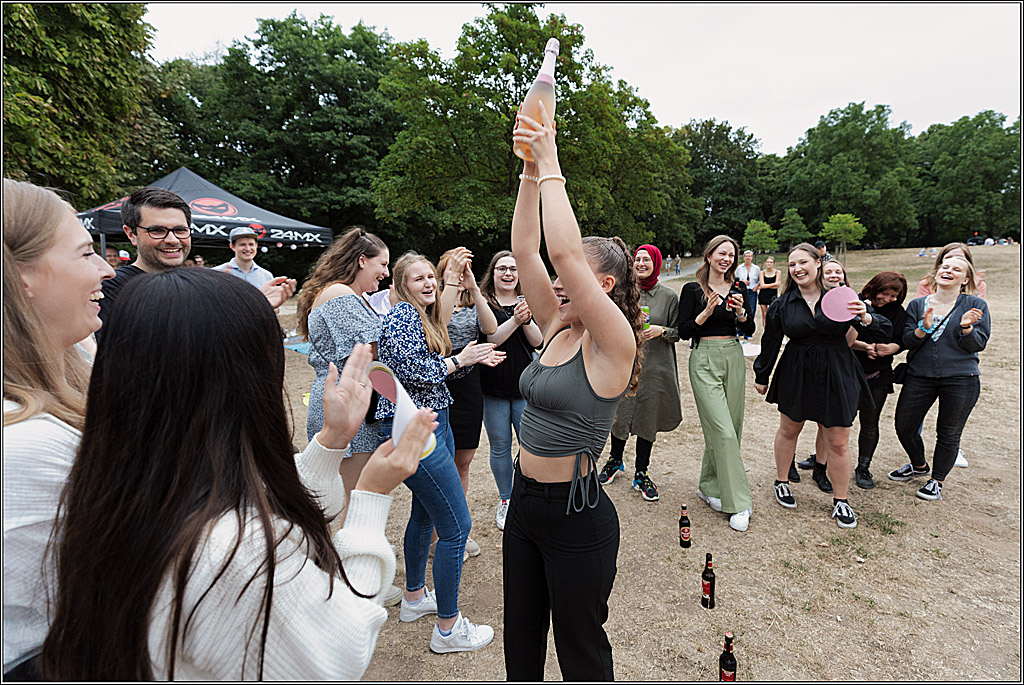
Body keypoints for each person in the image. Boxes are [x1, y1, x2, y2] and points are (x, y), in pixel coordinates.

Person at [41, 268, 435, 680]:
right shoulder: (231, 550)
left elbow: (275, 503)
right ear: (245, 376)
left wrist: (332, 441)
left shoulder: (126, 489)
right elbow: (339, 654)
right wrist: (371, 498)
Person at [505, 103, 642, 680]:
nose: (558, 282)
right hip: (525, 504)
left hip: (577, 514)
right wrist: (529, 173)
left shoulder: (613, 343)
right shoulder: (557, 321)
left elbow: (560, 252)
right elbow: (526, 252)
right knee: (521, 648)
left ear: (603, 285)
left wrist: (551, 155)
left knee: (581, 653)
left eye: (577, 277)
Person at [3, 179, 115, 681]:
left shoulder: (63, 387)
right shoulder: (29, 443)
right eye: (87, 251)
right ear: (22, 275)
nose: (106, 269)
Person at [376, 253, 500, 654]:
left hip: (433, 420)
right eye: (418, 278)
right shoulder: (402, 318)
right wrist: (461, 358)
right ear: (401, 284)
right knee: (456, 526)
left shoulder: (422, 317)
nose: (427, 283)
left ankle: (414, 598)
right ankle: (448, 629)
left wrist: (470, 358)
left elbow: (432, 367)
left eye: (431, 276)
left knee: (425, 514)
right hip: (415, 429)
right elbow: (417, 370)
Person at [753, 243, 890, 529]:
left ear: (818, 263)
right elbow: (771, 341)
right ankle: (781, 482)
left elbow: (882, 327)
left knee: (838, 441)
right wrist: (762, 375)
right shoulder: (783, 303)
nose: (797, 269)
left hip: (837, 370)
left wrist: (865, 316)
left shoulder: (841, 298)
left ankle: (841, 501)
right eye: (792, 265)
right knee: (789, 429)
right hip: (796, 370)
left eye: (803, 262)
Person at [97, 187, 296, 341]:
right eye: (157, 230)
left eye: (181, 230)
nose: (173, 240)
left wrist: (252, 305)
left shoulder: (204, 286)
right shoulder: (111, 289)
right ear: (131, 234)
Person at [297, 228, 391, 523]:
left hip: (349, 398)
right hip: (345, 399)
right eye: (383, 264)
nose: (386, 273)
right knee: (353, 500)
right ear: (362, 260)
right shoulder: (340, 293)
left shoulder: (348, 295)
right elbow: (369, 349)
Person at [888, 255, 989, 501]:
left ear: (965, 279)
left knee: (949, 432)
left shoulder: (974, 305)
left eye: (957, 269)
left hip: (961, 378)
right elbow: (907, 341)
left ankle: (936, 481)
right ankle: (919, 465)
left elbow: (978, 343)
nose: (948, 271)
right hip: (920, 375)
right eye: (945, 267)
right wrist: (922, 328)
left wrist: (966, 328)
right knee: (904, 425)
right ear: (936, 273)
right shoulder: (917, 304)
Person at [677, 235, 755, 532]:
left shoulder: (739, 288)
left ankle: (709, 487)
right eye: (721, 253)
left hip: (733, 355)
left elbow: (749, 328)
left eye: (731, 255)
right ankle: (739, 502)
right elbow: (684, 331)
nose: (727, 259)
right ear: (709, 256)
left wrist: (740, 312)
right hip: (704, 358)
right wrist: (706, 312)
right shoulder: (692, 290)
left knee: (731, 429)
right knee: (722, 430)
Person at [597, 244, 681, 503]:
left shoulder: (668, 296)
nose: (642, 263)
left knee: (648, 418)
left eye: (647, 259)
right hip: (624, 364)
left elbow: (680, 331)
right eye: (638, 259)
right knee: (619, 415)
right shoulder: (621, 292)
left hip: (655, 367)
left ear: (656, 262)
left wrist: (662, 331)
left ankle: (642, 473)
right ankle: (615, 460)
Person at [436, 246, 499, 558]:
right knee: (439, 464)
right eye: (454, 269)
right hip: (438, 386)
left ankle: (457, 530)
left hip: (470, 390)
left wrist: (474, 287)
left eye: (464, 269)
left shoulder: (474, 298)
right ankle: (439, 535)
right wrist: (449, 286)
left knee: (463, 463)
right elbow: (438, 326)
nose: (460, 275)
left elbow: (491, 330)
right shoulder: (432, 298)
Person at [477, 250, 543, 530]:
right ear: (492, 274)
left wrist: (526, 319)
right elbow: (492, 338)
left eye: (513, 269)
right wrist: (515, 320)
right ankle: (506, 499)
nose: (508, 274)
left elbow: (538, 342)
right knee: (500, 446)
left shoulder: (528, 302)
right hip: (491, 386)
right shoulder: (482, 302)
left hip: (523, 386)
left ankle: (529, 496)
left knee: (529, 445)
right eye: (502, 268)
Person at [849, 271, 909, 489]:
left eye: (895, 296)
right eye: (886, 293)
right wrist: (865, 347)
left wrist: (894, 347)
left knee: (870, 423)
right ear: (876, 287)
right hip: (850, 370)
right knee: (837, 421)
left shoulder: (898, 312)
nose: (889, 299)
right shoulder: (855, 302)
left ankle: (863, 467)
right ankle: (822, 459)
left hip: (878, 374)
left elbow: (902, 338)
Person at [917, 242, 987, 300]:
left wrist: (973, 289)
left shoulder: (979, 284)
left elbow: (977, 311)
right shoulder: (926, 284)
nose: (953, 261)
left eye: (959, 258)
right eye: (948, 258)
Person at [734, 250, 760, 336]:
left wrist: (756, 286)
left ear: (752, 257)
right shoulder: (739, 268)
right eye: (746, 256)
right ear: (744, 257)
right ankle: (739, 331)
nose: (748, 257)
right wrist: (742, 281)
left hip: (752, 291)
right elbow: (735, 279)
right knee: (740, 310)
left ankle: (748, 332)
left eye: (750, 256)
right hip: (742, 291)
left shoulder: (756, 268)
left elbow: (759, 280)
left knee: (751, 311)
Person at [757, 255, 780, 327]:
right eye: (768, 262)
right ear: (765, 263)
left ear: (773, 263)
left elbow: (778, 285)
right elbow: (762, 285)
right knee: (764, 314)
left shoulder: (777, 272)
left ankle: (773, 330)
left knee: (773, 314)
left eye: (771, 262)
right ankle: (765, 331)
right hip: (763, 295)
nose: (769, 263)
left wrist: (764, 286)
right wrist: (773, 284)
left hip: (773, 295)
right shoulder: (762, 272)